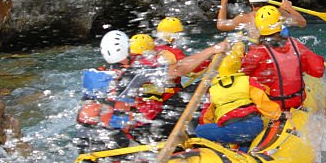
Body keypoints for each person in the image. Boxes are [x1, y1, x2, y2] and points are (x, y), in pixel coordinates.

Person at [75, 30, 226, 152]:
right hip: (125, 139)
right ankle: (194, 140)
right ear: (127, 50)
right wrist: (213, 49)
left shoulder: (91, 74)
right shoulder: (136, 73)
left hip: (89, 142)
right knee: (190, 95)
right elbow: (179, 69)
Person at [239, 6, 325, 111]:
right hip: (297, 100)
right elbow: (318, 70)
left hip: (272, 104)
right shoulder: (295, 44)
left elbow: (241, 74)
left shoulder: (257, 53)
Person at [194, 43, 280, 145]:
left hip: (232, 128)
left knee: (199, 131)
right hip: (254, 125)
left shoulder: (212, 90)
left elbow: (206, 117)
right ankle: (245, 147)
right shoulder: (248, 80)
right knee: (243, 137)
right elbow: (262, 102)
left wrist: (215, 133)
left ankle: (224, 147)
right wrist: (279, 115)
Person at [216, 0, 306, 40]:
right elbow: (302, 23)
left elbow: (221, 25)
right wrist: (290, 9)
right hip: (280, 53)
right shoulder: (279, 13)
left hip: (259, 54)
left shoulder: (244, 18)